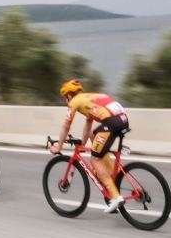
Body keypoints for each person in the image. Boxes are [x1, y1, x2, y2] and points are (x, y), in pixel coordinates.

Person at [49, 79, 130, 213]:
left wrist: (59, 147)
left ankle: (116, 197)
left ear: (68, 95)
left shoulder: (74, 102)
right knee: (94, 135)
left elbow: (66, 126)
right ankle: (110, 173)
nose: (66, 100)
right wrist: (82, 143)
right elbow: (88, 125)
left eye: (65, 97)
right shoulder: (89, 98)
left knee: (95, 159)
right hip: (123, 119)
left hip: (112, 123)